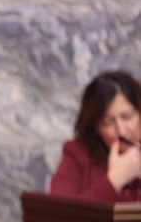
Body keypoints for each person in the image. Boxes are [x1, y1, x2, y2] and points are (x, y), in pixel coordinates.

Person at [50, 70, 141, 201]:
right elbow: (59, 211)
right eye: (107, 122)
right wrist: (116, 179)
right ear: (95, 126)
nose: (121, 131)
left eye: (127, 117)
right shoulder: (78, 154)